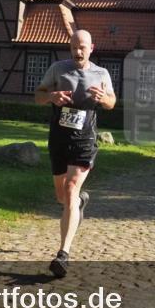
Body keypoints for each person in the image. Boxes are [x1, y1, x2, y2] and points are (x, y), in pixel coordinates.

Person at [34, 30, 116, 278]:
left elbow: (112, 101)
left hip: (85, 138)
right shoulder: (58, 69)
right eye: (73, 47)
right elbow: (37, 96)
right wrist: (51, 96)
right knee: (63, 197)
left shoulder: (101, 73)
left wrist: (104, 99)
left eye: (82, 47)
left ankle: (63, 254)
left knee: (70, 188)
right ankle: (80, 203)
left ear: (92, 47)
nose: (77, 52)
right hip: (59, 138)